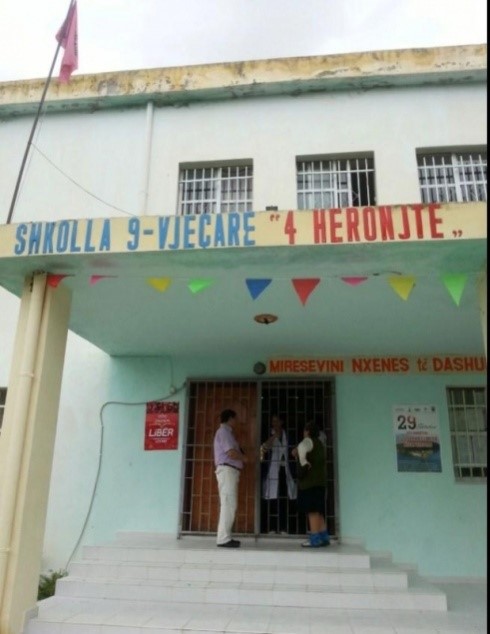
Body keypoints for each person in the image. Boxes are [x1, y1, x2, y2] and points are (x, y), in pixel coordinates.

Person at [213, 408, 247, 548]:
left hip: (230, 471)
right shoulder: (224, 432)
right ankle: (223, 539)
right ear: (230, 419)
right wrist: (244, 458)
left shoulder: (227, 433)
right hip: (227, 471)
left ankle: (225, 536)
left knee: (229, 504)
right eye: (235, 418)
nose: (237, 421)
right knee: (228, 504)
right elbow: (231, 453)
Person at [293, 420, 330, 548]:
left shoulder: (308, 441)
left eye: (305, 430)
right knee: (318, 511)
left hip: (310, 484)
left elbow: (302, 447)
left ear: (307, 431)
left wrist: (303, 461)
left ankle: (315, 539)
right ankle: (323, 536)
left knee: (312, 511)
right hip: (320, 482)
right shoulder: (320, 443)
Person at [261, 414, 297, 533]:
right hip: (272, 471)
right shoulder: (269, 434)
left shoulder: (288, 435)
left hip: (285, 471)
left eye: (276, 421)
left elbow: (293, 451)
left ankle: (283, 528)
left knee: (284, 499)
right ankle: (271, 527)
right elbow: (264, 448)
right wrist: (274, 436)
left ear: (282, 422)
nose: (274, 424)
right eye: (273, 421)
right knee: (272, 499)